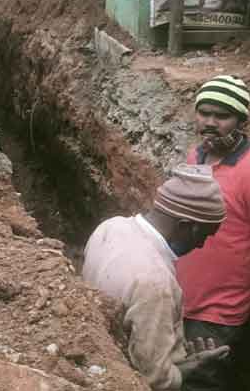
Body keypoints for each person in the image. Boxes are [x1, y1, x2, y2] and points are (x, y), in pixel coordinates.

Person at [176, 75, 250, 391]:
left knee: (200, 384)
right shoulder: (195, 156)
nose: (210, 123)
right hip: (178, 298)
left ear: (241, 121)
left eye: (222, 116)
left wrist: (249, 289)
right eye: (204, 113)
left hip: (216, 315)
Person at [83, 164, 230, 391]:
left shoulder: (110, 227)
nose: (201, 245)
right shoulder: (156, 284)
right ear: (187, 226)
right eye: (205, 235)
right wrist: (192, 368)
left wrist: (175, 353)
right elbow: (154, 380)